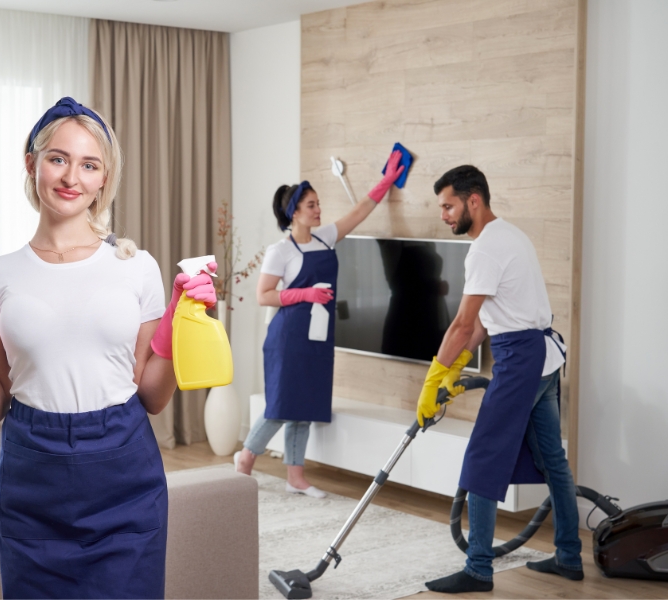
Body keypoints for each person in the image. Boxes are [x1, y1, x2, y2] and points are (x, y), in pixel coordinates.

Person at [0, 97, 217, 599]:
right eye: (58, 158)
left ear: (103, 179)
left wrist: (181, 318)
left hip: (124, 469)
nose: (71, 176)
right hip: (34, 474)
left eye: (88, 164)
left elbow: (154, 397)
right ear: (32, 164)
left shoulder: (136, 266)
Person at [418, 165, 581, 593]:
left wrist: (433, 376)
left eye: (449, 205)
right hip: (542, 360)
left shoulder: (485, 249)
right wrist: (452, 370)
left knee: (483, 459)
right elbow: (480, 328)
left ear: (474, 199)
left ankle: (478, 569)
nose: (445, 215)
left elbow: (461, 325)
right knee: (553, 461)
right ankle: (568, 555)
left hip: (520, 361)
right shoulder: (511, 235)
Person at [234, 151, 405, 496]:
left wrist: (385, 181)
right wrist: (305, 294)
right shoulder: (280, 251)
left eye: (318, 203)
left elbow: (359, 212)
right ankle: (246, 458)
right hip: (287, 337)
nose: (318, 209)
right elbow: (264, 295)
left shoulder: (326, 236)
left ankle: (296, 477)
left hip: (318, 335)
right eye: (311, 205)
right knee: (281, 405)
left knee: (305, 406)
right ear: (294, 212)